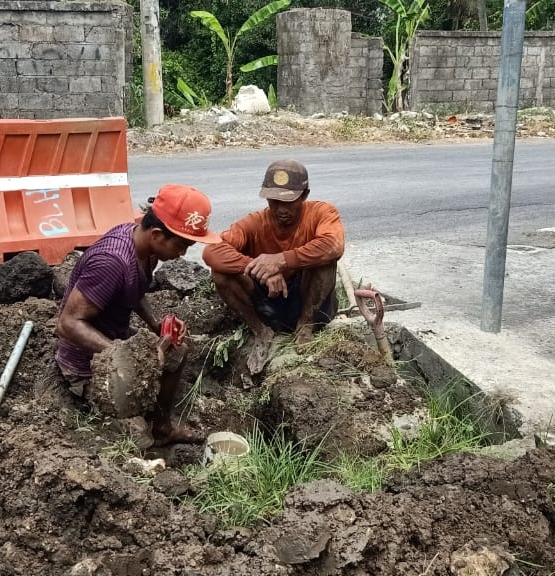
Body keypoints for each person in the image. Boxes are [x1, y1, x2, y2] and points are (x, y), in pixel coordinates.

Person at [55, 184, 222, 444]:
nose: (184, 253)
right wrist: (126, 359)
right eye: (182, 245)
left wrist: (156, 325)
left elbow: (134, 288)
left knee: (177, 350)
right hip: (86, 362)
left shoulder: (146, 250)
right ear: (157, 234)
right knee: (137, 438)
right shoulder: (111, 262)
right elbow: (67, 324)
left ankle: (162, 427)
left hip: (117, 339)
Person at [203, 160, 346, 374]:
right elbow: (211, 252)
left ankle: (305, 327)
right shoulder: (255, 222)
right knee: (221, 273)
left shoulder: (321, 212)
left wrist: (281, 260)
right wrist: (258, 268)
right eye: (274, 201)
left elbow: (333, 245)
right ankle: (261, 331)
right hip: (269, 302)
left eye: (288, 202)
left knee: (325, 261)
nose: (280, 209)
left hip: (310, 303)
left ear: (305, 195)